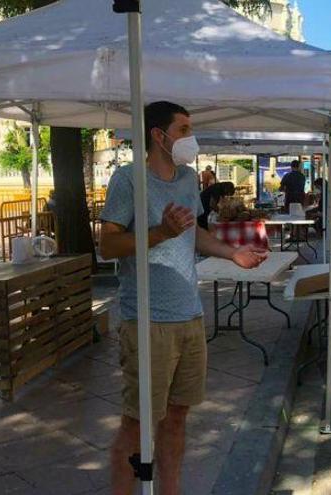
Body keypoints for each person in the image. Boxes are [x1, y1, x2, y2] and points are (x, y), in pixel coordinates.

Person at [102, 102, 267, 495]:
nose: (191, 138)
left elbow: (194, 233)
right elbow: (108, 245)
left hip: (189, 316)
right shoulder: (128, 180)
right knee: (138, 422)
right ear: (159, 136)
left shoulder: (190, 178)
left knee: (177, 417)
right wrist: (160, 232)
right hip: (147, 320)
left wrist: (232, 254)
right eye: (184, 129)